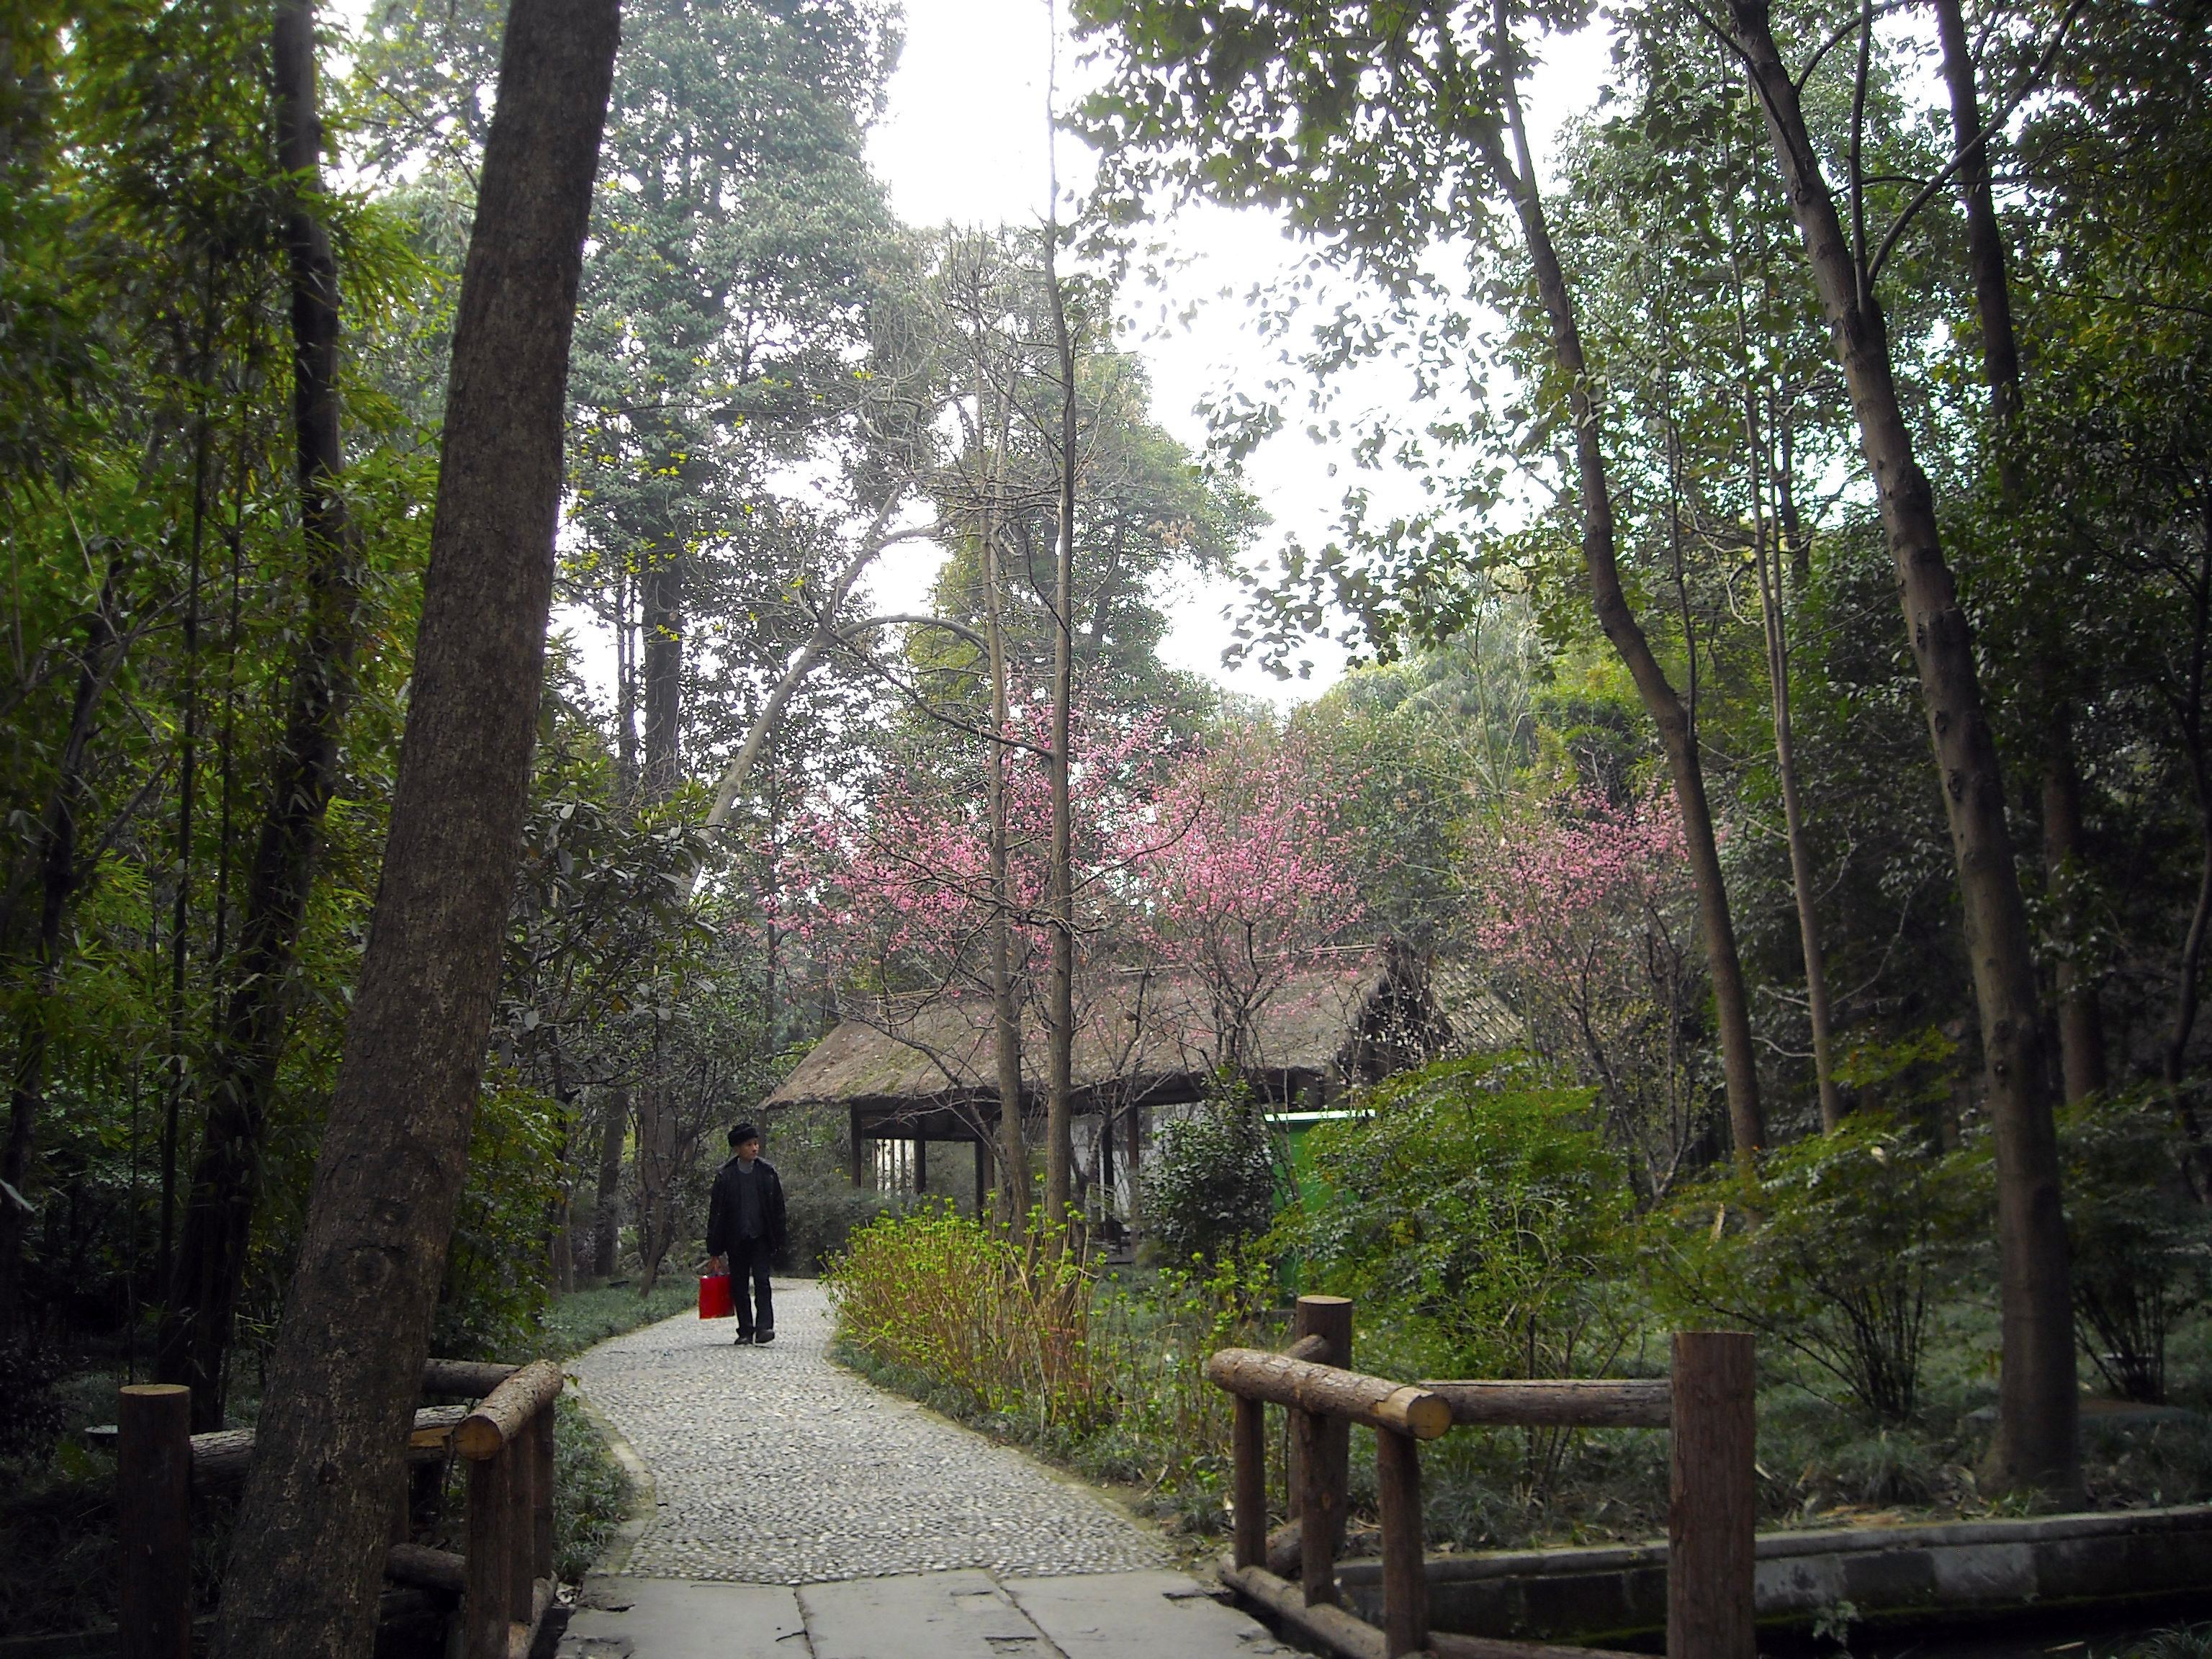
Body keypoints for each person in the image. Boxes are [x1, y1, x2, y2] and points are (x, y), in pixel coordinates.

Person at [705, 1121, 786, 1345]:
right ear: (737, 1149)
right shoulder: (725, 1176)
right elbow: (717, 1213)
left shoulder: (767, 1173)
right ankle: (745, 1330)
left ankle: (764, 1328)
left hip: (761, 1237)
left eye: (756, 1144)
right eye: (749, 1145)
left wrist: (780, 1240)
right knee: (739, 1285)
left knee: (762, 1282)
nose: (755, 1148)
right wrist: (714, 1248)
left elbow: (778, 1209)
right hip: (736, 1239)